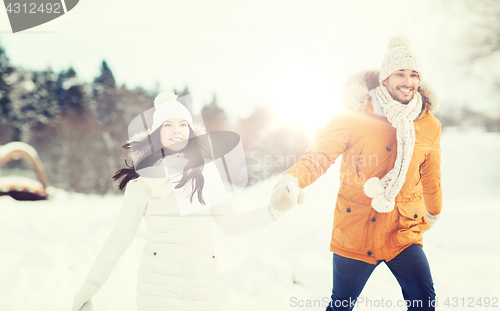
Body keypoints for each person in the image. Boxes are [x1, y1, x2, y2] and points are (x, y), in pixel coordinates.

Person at [270, 36, 442, 311]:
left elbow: (431, 175)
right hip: (357, 228)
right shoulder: (353, 115)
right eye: (400, 73)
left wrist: (434, 211)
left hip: (404, 229)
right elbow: (319, 156)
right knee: (341, 305)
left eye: (413, 74)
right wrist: (292, 180)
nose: (407, 81)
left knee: (424, 301)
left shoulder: (428, 123)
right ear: (385, 78)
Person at [72, 92, 284, 311]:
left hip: (203, 292)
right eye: (168, 125)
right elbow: (119, 238)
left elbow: (232, 224)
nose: (177, 130)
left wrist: (274, 210)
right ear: (156, 133)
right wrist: (87, 290)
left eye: (183, 124)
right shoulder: (143, 182)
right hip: (157, 292)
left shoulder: (207, 174)